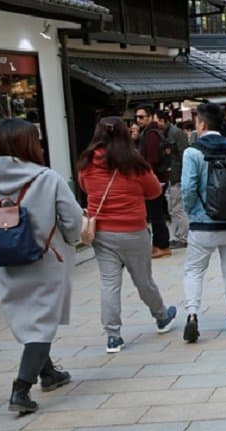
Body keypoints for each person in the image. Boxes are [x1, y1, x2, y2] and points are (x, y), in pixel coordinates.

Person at [0, 119, 82, 414]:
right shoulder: (47, 178)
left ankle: (49, 373)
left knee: (30, 319)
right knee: (42, 324)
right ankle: (21, 389)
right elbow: (72, 221)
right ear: (28, 144)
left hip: (7, 262)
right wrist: (70, 239)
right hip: (47, 261)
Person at [78, 116, 178, 354]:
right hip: (133, 231)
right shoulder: (135, 163)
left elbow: (84, 188)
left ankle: (113, 336)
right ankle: (161, 317)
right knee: (143, 279)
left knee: (109, 283)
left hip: (101, 232)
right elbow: (154, 191)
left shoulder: (87, 164)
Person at [180, 103, 226, 343]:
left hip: (203, 224)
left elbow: (188, 188)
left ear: (202, 124)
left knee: (194, 271)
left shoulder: (193, 152)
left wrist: (193, 212)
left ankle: (192, 314)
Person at [134, 103, 171, 258]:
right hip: (159, 178)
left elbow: (152, 159)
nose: (139, 120)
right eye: (137, 117)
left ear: (149, 117)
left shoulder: (151, 134)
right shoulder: (153, 132)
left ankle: (161, 245)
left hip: (155, 178)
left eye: (141, 117)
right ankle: (160, 244)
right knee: (157, 213)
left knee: (156, 214)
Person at [153, 110, 189, 249]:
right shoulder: (164, 134)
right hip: (170, 175)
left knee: (179, 208)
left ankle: (183, 237)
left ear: (163, 120)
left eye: (157, 121)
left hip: (177, 175)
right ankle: (179, 235)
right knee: (173, 208)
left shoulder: (176, 133)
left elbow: (183, 155)